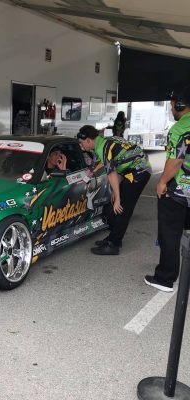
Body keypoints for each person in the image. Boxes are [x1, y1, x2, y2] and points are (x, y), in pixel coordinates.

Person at [77, 125, 151, 255]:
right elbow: (102, 165)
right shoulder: (104, 142)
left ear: (88, 140)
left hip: (139, 172)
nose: (80, 146)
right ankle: (113, 237)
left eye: (81, 143)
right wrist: (85, 180)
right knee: (115, 204)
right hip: (131, 170)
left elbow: (111, 173)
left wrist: (117, 197)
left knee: (122, 209)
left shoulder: (103, 148)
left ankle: (114, 245)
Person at [144, 86, 190, 292]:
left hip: (179, 192)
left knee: (169, 234)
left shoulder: (180, 128)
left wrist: (162, 182)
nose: (171, 108)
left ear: (179, 104)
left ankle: (164, 279)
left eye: (172, 104)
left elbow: (176, 160)